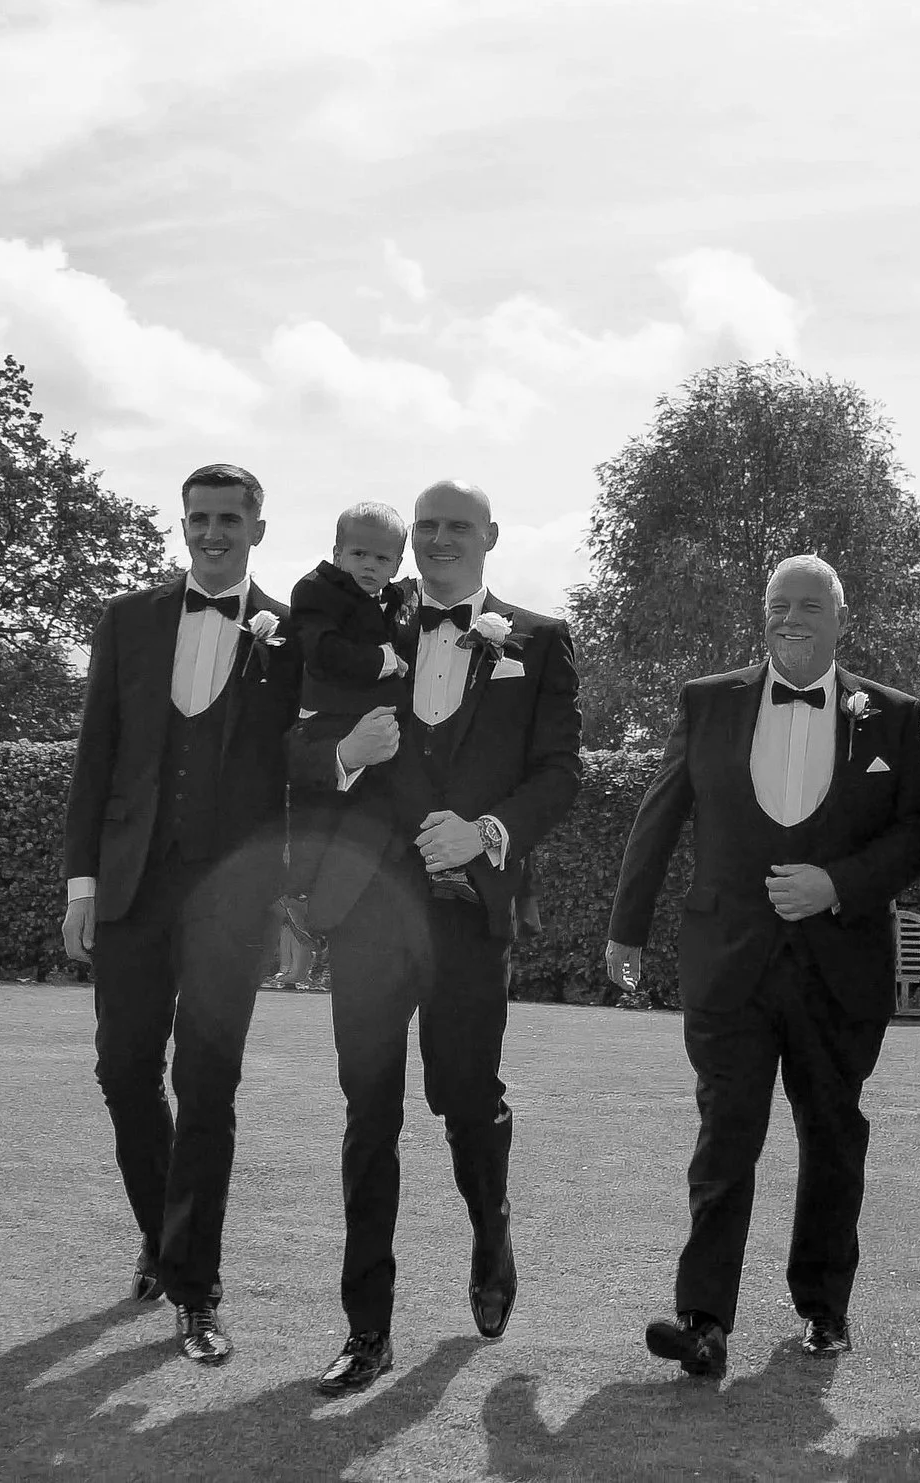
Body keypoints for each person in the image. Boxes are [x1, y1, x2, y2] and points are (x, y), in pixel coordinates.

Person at [604, 554, 920, 1380]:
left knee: (832, 1137)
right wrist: (626, 929)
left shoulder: (891, 717)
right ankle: (703, 1320)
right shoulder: (708, 700)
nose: (791, 617)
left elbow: (918, 832)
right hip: (730, 963)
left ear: (841, 618)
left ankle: (824, 1310)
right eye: (778, 603)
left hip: (839, 967)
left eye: (809, 605)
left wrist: (838, 883)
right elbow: (660, 814)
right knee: (726, 1135)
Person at [289, 480, 582, 1397]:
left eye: (458, 526)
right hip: (369, 910)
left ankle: (491, 1233)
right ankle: (366, 1329)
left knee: (465, 1098)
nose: (440, 538)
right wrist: (347, 756)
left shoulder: (538, 640)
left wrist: (487, 831)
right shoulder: (364, 627)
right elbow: (295, 745)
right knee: (368, 1114)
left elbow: (560, 773)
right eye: (427, 526)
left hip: (467, 913)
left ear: (490, 535)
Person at [61, 462, 304, 1366]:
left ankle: (195, 1288)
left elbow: (300, 777)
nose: (212, 532)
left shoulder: (292, 633)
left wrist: (296, 897)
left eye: (229, 518)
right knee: (123, 1068)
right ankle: (165, 1234)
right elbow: (95, 756)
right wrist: (81, 885)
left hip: (233, 898)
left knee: (207, 1086)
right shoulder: (127, 619)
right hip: (131, 886)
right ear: (184, 523)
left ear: (257, 528)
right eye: (199, 517)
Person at [282, 502, 447, 935]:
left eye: (381, 558)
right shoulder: (315, 590)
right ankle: (297, 897)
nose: (369, 565)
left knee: (391, 810)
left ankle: (437, 867)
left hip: (388, 728)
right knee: (318, 815)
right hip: (330, 719)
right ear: (336, 553)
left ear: (397, 563)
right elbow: (323, 651)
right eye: (358, 554)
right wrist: (384, 660)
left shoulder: (398, 599)